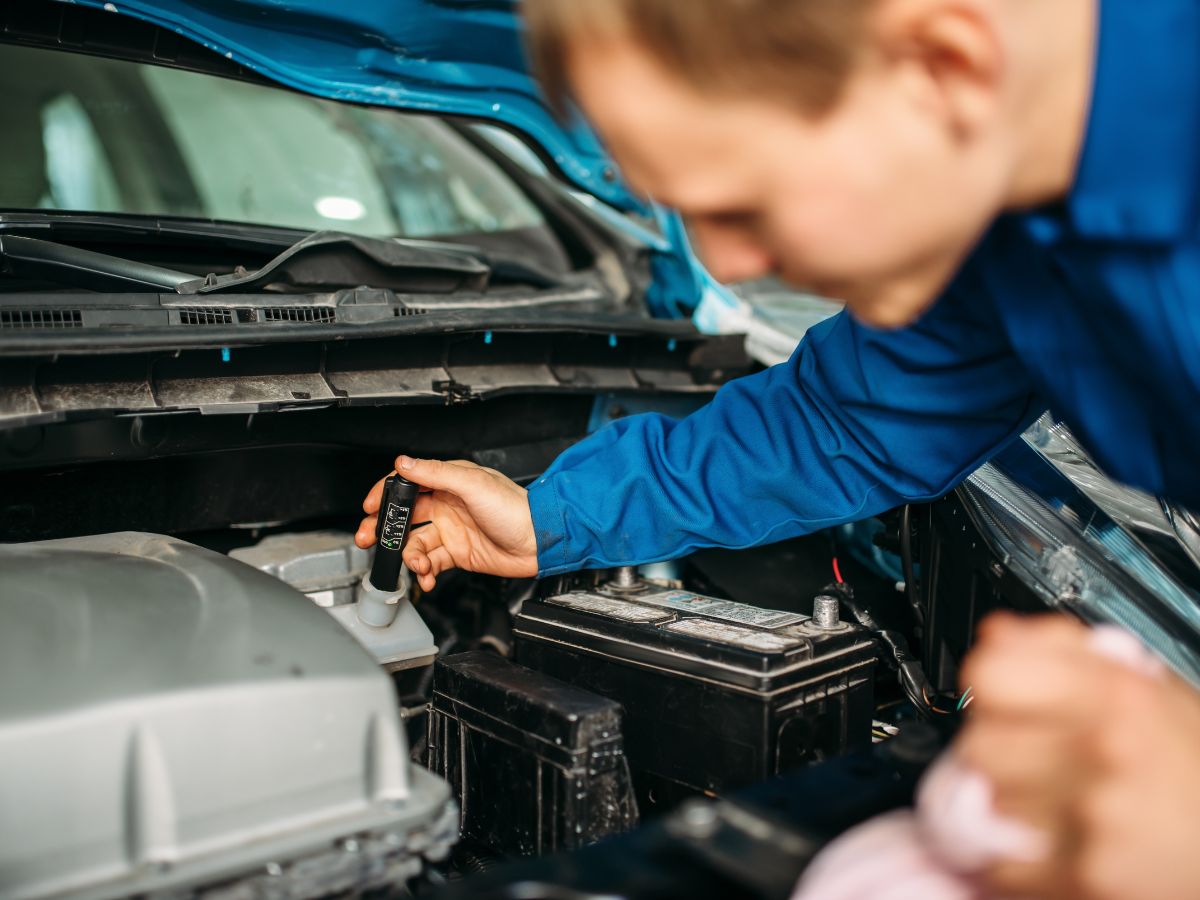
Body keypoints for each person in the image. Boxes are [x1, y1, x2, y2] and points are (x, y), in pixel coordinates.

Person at [355, 1, 1200, 895]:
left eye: (745, 202)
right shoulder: (998, 214)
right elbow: (844, 419)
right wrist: (547, 516)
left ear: (945, 67)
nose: (731, 265)